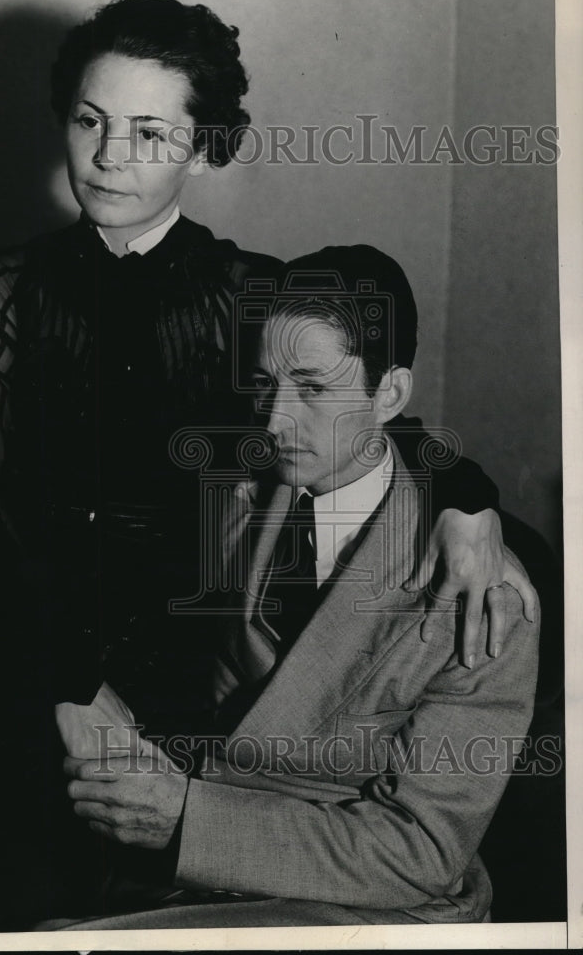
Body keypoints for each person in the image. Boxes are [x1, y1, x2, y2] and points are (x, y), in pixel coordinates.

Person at [0, 0, 534, 929]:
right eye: (89, 120)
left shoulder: (250, 290)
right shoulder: (4, 288)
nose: (110, 155)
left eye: (151, 131)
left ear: (205, 148)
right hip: (24, 642)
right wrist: (54, 677)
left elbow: (370, 415)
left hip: (187, 675)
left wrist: (468, 500)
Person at [55, 245, 540, 929]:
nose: (274, 420)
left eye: (312, 389)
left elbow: (420, 849)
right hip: (197, 872)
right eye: (265, 385)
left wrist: (188, 820)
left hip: (371, 905)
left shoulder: (484, 599)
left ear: (391, 393)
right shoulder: (241, 496)